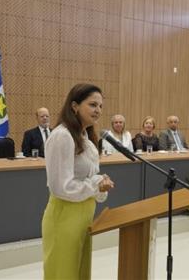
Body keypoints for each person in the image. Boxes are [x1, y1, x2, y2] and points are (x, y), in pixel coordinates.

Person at [42, 83, 114, 280]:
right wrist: (95, 185)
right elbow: (61, 187)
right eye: (92, 105)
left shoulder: (86, 138)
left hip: (84, 217)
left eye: (100, 106)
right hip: (65, 218)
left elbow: (89, 178)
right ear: (74, 106)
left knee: (80, 273)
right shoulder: (62, 136)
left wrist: (100, 184)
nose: (98, 110)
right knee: (63, 274)